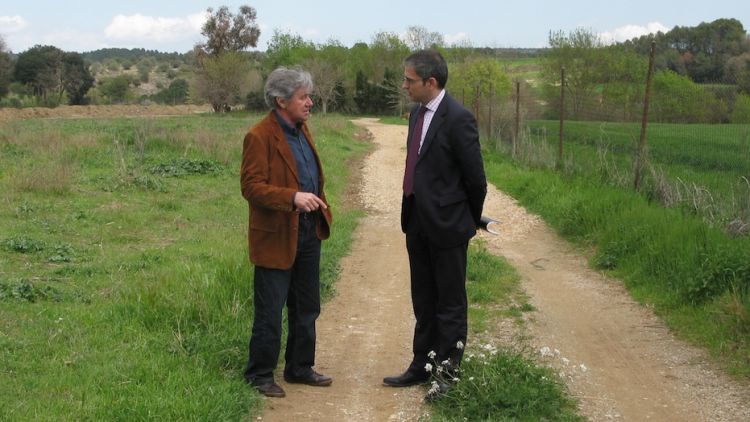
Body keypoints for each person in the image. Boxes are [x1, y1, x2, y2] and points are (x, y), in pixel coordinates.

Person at [383, 50, 487, 400]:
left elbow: (477, 180)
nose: (404, 85)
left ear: (431, 82)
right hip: (417, 222)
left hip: (449, 226)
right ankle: (421, 366)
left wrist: (467, 220)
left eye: (409, 80)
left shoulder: (459, 118)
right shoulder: (415, 114)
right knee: (423, 298)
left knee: (450, 303)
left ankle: (447, 375)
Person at [241, 67, 334, 398]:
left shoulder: (301, 129)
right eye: (303, 97)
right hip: (276, 234)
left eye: (309, 96)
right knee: (270, 309)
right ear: (281, 101)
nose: (309, 102)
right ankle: (260, 374)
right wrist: (292, 198)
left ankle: (299, 367)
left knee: (306, 305)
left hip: (308, 231)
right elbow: (251, 187)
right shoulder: (259, 136)